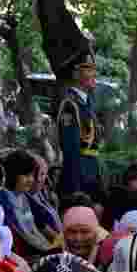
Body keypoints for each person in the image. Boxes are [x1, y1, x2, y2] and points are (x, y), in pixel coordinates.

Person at [55, 50, 103, 209]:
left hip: (90, 171)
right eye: (88, 69)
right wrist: (76, 187)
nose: (94, 73)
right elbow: (71, 149)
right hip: (79, 175)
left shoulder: (87, 103)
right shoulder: (70, 105)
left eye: (93, 69)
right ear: (76, 74)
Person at [0, 150, 57, 261]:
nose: (31, 180)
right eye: (26, 175)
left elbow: (34, 229)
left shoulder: (24, 197)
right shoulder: (0, 200)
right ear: (13, 174)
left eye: (32, 175)